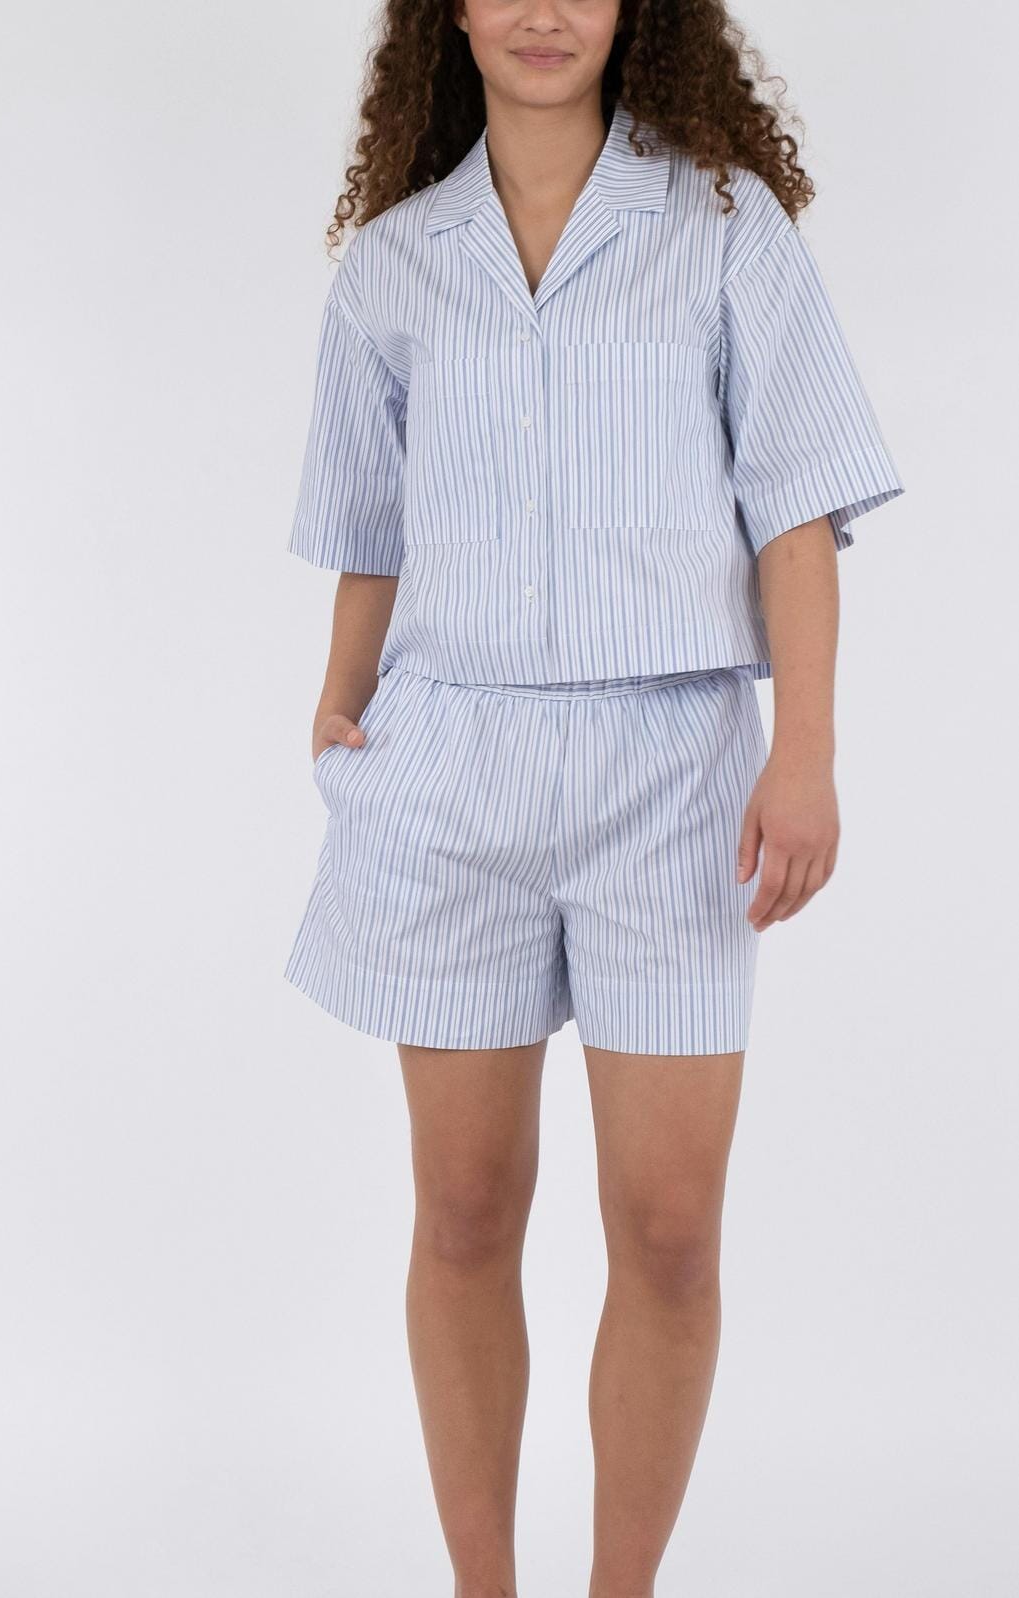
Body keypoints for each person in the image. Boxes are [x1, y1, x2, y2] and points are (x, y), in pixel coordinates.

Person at [283, 2, 904, 1593]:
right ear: (450, 11)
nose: (544, 10)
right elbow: (369, 528)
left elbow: (796, 508)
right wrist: (339, 710)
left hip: (672, 774)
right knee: (463, 1209)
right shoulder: (394, 266)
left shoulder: (722, 228)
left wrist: (806, 748)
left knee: (671, 1227)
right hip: (450, 778)